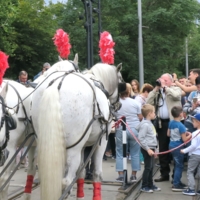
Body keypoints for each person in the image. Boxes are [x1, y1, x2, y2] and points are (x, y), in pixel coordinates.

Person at [147, 73, 182, 182]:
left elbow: (177, 96)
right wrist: (156, 89)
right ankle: (164, 174)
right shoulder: (158, 92)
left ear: (171, 81)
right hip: (162, 124)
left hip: (174, 123)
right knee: (163, 149)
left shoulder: (175, 89)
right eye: (161, 80)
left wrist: (166, 88)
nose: (163, 82)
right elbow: (148, 103)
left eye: (165, 80)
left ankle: (175, 177)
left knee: (176, 150)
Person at [115, 83, 143, 182]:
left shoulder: (116, 103)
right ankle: (133, 175)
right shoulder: (135, 103)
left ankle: (121, 175)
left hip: (120, 128)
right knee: (135, 152)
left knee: (119, 152)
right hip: (134, 129)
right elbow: (140, 117)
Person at [167, 106, 191, 191]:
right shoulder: (181, 125)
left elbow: (168, 134)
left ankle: (176, 181)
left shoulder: (171, 122)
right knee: (179, 166)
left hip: (171, 145)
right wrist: (190, 135)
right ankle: (176, 184)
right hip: (178, 147)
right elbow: (184, 139)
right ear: (180, 114)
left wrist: (183, 133)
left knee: (176, 164)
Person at [138, 104, 161, 193]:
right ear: (149, 114)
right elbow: (141, 138)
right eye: (154, 112)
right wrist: (148, 149)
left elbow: (153, 137)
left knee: (151, 167)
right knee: (148, 167)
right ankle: (144, 186)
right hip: (147, 149)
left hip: (151, 148)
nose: (155, 114)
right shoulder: (145, 125)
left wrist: (155, 149)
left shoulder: (149, 123)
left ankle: (150, 184)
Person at [181, 113, 200, 196]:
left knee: (190, 171)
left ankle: (191, 189)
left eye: (194, 121)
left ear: (198, 122)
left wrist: (184, 150)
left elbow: (193, 146)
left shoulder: (196, 133)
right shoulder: (195, 133)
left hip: (195, 155)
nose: (192, 123)